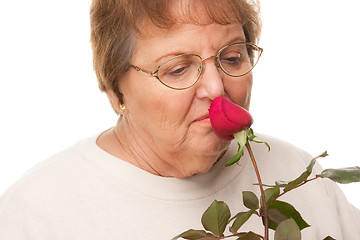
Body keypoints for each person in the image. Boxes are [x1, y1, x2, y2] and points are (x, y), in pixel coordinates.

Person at [0, 0, 359, 239]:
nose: (217, 87)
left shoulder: (304, 176)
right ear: (116, 89)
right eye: (178, 69)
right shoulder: (35, 216)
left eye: (232, 57)